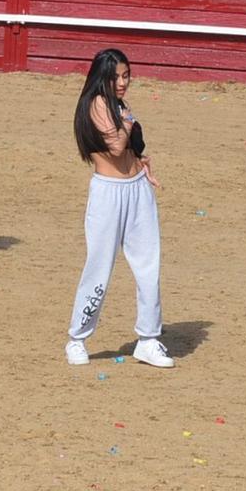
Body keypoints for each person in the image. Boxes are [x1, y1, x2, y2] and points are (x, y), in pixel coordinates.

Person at [63, 48, 172, 369]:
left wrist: (142, 163)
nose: (122, 82)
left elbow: (130, 149)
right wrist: (126, 123)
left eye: (126, 76)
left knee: (148, 264)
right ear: (101, 77)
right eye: (116, 77)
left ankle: (149, 339)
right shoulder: (96, 104)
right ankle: (77, 338)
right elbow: (114, 146)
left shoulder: (117, 104)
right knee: (99, 267)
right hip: (109, 194)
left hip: (137, 189)